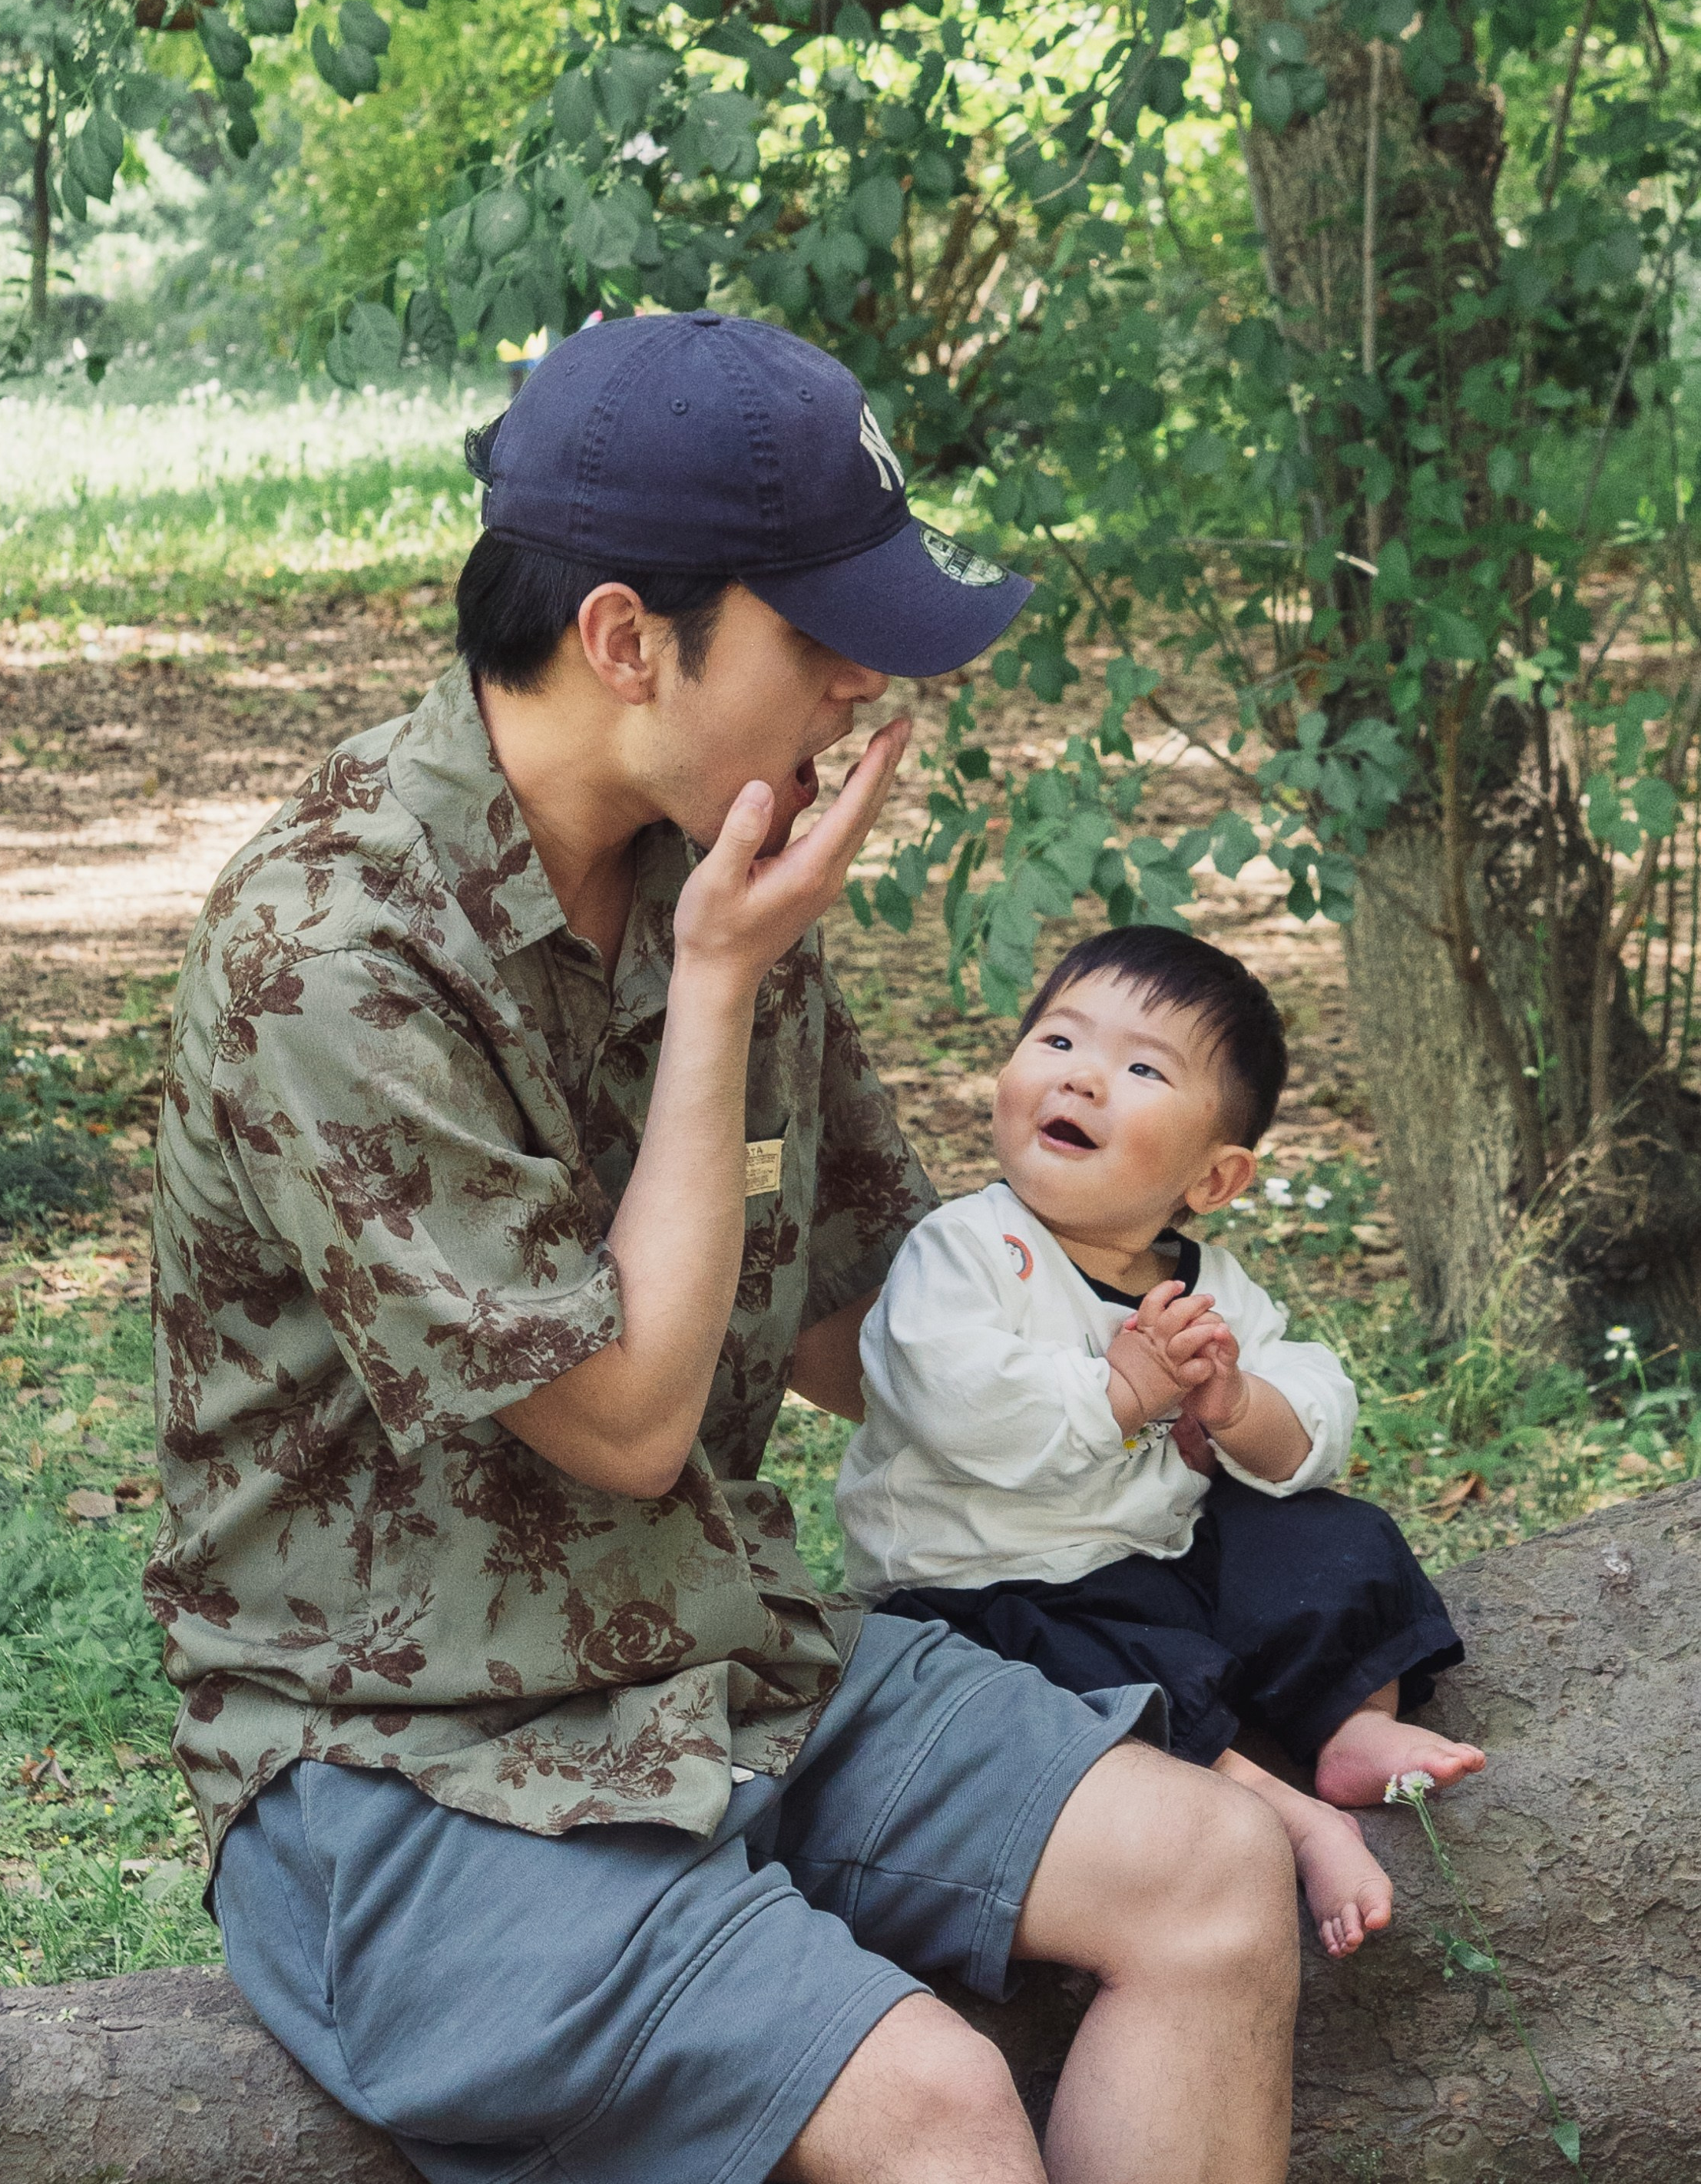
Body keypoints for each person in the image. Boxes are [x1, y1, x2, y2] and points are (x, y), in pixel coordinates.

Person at [147, 312, 1304, 2184]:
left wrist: (1142, 1347)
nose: (863, 681)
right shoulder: (336, 955)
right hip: (403, 1769)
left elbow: (865, 1319)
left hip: (723, 1652)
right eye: (817, 632)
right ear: (626, 639)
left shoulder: (711, 857)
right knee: (934, 2106)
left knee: (1214, 1878)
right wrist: (715, 993)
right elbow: (618, 1423)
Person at [837, 924, 1485, 1961]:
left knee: (1329, 1535)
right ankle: (1290, 1818)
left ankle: (1355, 1719)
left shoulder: (1209, 1284)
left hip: (1155, 1549)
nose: (1083, 1080)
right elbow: (952, 1397)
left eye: (1140, 1068)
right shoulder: (965, 1250)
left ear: (1214, 1177)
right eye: (1057, 1042)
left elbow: (1314, 1400)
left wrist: (1238, 1406)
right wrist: (1122, 1389)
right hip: (985, 1583)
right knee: (1109, 1673)